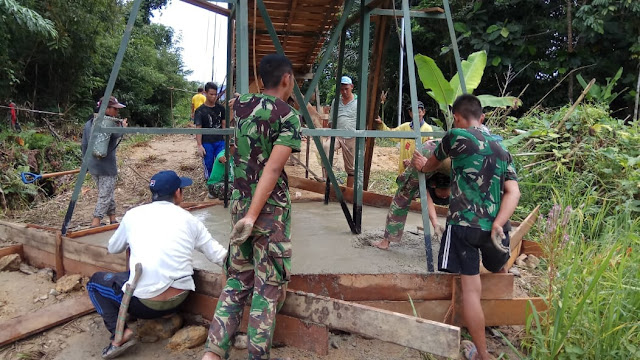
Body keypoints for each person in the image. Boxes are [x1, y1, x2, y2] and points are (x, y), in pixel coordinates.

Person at [202, 54, 301, 360]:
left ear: (260, 81)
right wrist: (253, 216)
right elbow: (272, 170)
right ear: (287, 79)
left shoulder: (241, 105)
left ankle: (213, 354)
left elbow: (234, 102)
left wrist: (244, 214)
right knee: (267, 287)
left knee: (236, 280)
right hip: (268, 213)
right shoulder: (288, 116)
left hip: (239, 204)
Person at [411, 94, 520, 360]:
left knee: (471, 291)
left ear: (457, 118)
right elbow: (513, 192)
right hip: (495, 227)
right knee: (499, 266)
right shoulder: (501, 146)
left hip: (464, 226)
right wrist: (498, 223)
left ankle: (482, 354)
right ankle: (496, 318)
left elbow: (430, 165)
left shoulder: (455, 137)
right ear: (482, 118)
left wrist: (419, 165)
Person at [87, 170, 227, 359]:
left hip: (145, 304)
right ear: (178, 193)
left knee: (95, 282)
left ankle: (119, 334)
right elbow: (218, 255)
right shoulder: (190, 219)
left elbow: (113, 248)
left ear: (152, 194)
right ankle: (166, 316)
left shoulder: (133, 215)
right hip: (180, 299)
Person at [372, 140, 450, 250]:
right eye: (442, 196)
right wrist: (425, 165)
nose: (443, 198)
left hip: (453, 159)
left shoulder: (467, 179)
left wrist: (436, 224)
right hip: (429, 155)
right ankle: (386, 241)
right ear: (432, 186)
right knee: (405, 192)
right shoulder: (431, 155)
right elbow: (425, 195)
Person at [82, 96, 128, 228]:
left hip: (93, 165)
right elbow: (117, 135)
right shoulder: (111, 124)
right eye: (115, 109)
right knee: (105, 195)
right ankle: (95, 222)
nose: (117, 112)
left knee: (107, 193)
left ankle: (113, 218)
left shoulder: (89, 123)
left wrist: (86, 163)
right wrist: (123, 127)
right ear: (106, 109)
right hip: (107, 167)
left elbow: (84, 144)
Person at [374, 100, 433, 174]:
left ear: (423, 112)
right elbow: (392, 134)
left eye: (419, 112)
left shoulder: (427, 129)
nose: (416, 115)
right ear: (410, 113)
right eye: (413, 112)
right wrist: (380, 125)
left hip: (419, 169)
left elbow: (428, 151)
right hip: (403, 168)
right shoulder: (405, 127)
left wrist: (412, 162)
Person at [322, 75, 357, 187]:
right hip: (337, 135)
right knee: (326, 147)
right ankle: (328, 182)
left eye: (346, 88)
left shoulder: (358, 102)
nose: (344, 91)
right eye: (341, 89)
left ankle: (349, 191)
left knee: (351, 167)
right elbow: (331, 120)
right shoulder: (336, 101)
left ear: (351, 87)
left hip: (352, 136)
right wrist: (330, 133)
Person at [195, 82, 226, 179]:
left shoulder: (221, 108)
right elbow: (198, 128)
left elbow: (224, 125)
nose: (213, 97)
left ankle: (220, 184)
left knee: (223, 161)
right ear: (205, 93)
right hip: (207, 142)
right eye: (211, 94)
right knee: (209, 164)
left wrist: (227, 141)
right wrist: (199, 145)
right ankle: (210, 185)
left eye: (215, 94)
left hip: (220, 141)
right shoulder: (200, 111)